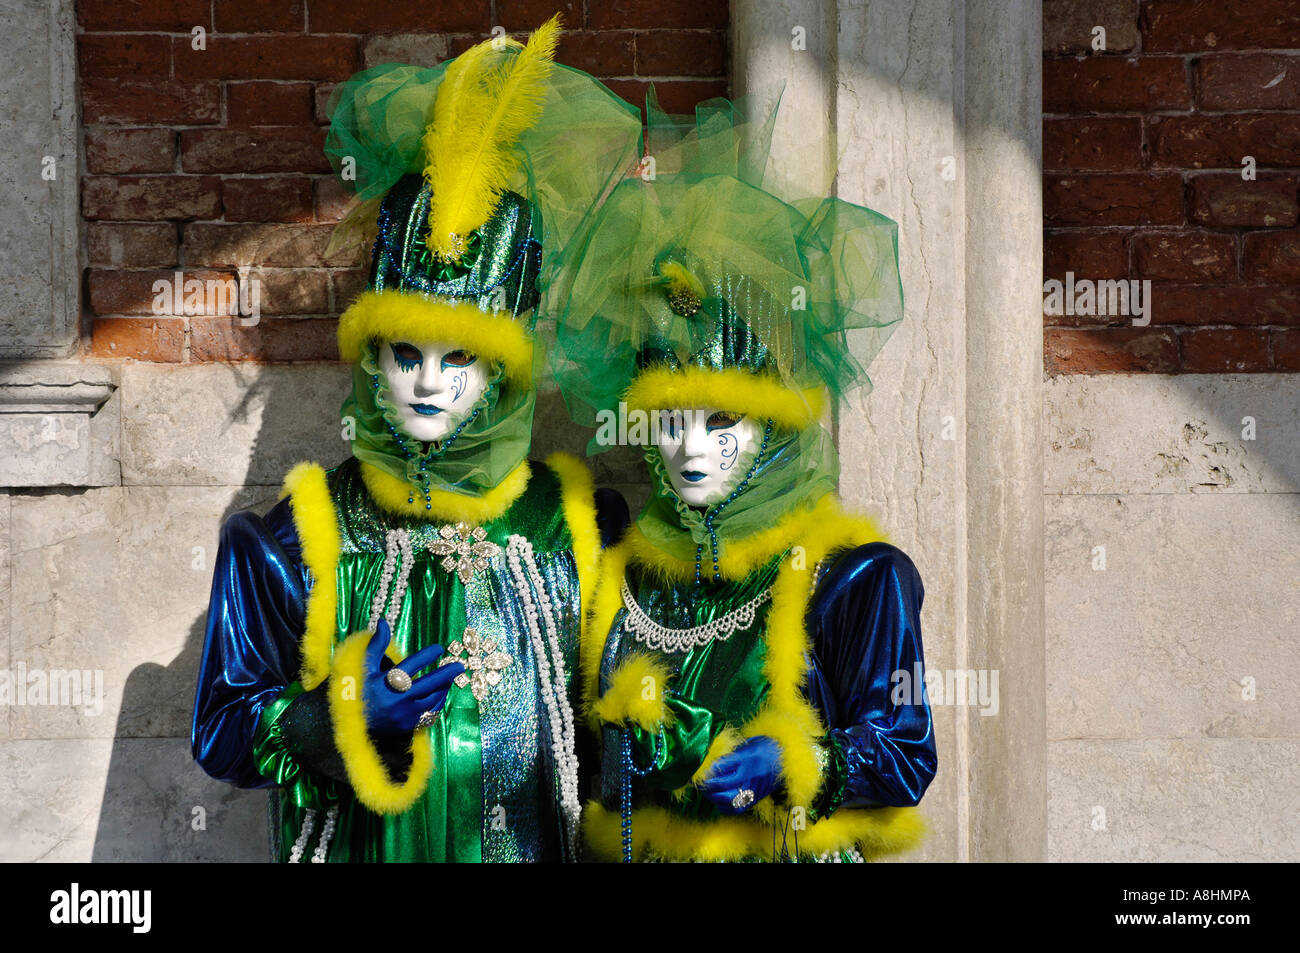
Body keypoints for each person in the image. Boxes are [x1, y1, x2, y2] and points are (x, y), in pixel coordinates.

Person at [191, 16, 642, 862]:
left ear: (505, 369)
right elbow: (220, 728)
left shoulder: (573, 527)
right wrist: (331, 719)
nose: (430, 382)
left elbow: (622, 733)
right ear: (372, 356)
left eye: (460, 356)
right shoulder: (295, 541)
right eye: (406, 353)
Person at [553, 90, 937, 862]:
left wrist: (792, 762)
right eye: (670, 420)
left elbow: (905, 753)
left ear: (774, 424)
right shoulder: (628, 575)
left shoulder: (854, 577)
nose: (689, 447)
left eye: (721, 421)